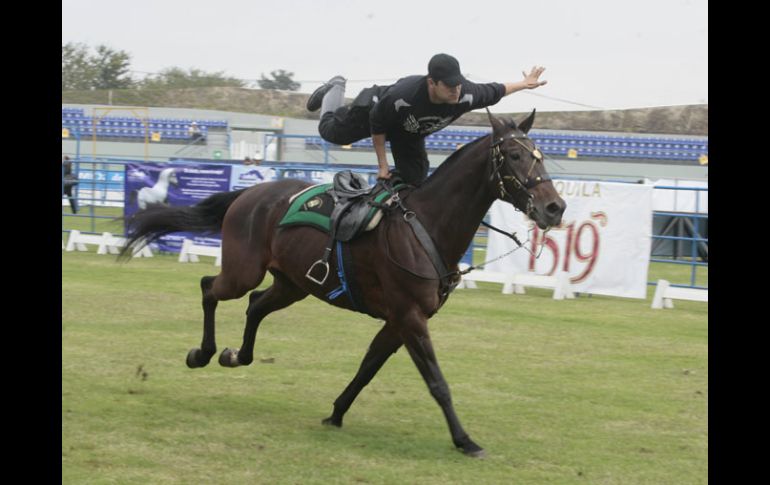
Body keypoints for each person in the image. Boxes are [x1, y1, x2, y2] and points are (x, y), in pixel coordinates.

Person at [306, 53, 548, 185]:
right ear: (432, 83)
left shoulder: (467, 94)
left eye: (459, 85)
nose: (457, 91)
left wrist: (524, 84)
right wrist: (382, 166)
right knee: (330, 132)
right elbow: (377, 126)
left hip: (409, 133)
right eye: (450, 86)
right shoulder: (404, 96)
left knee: (416, 178)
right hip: (377, 111)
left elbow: (496, 90)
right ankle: (334, 87)